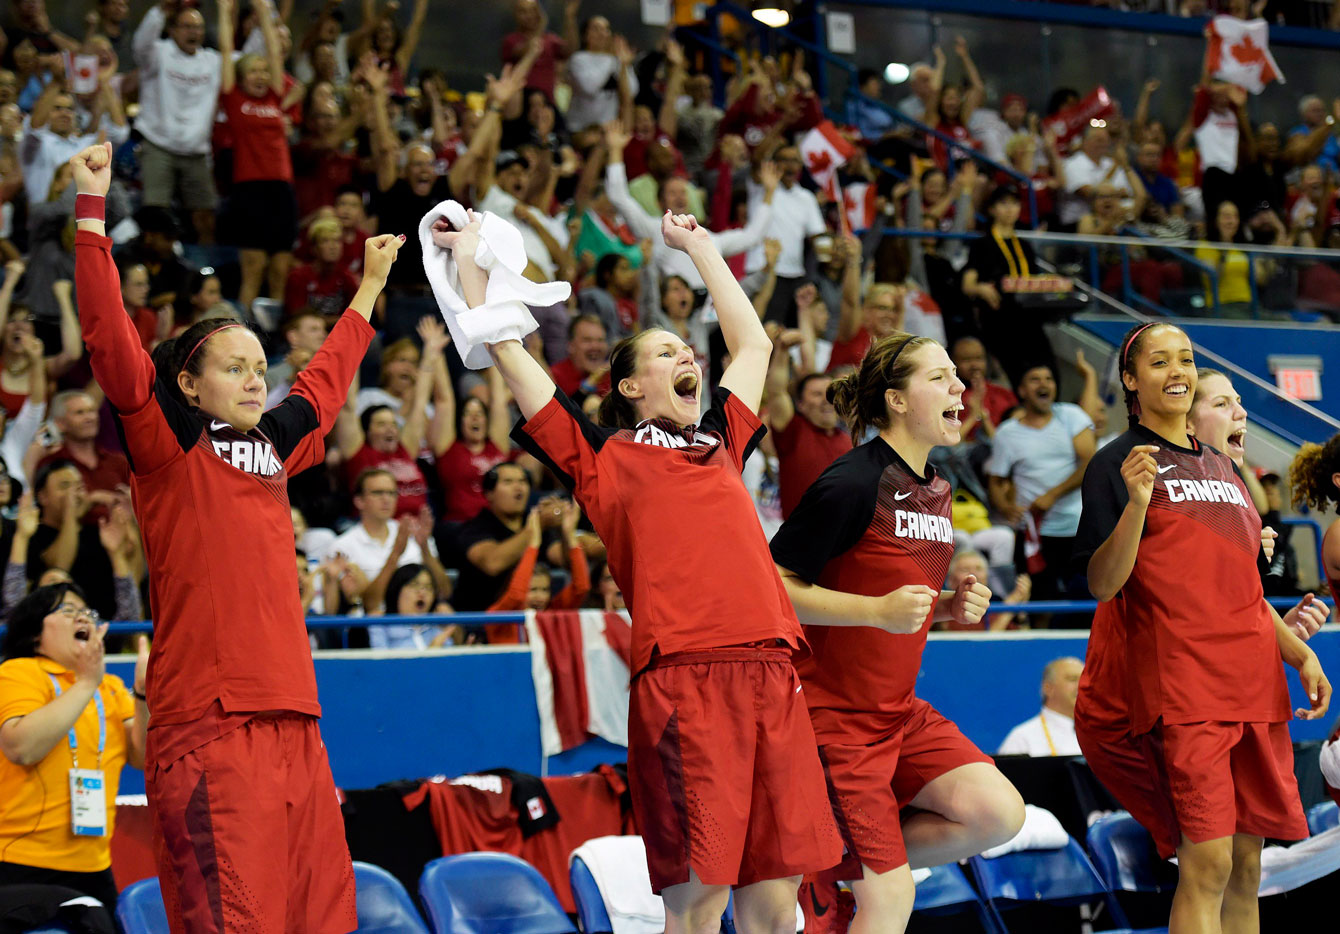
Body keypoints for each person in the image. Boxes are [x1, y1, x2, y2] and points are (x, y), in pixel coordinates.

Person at [450, 206, 842, 932]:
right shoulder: (600, 455)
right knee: (699, 904)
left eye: (685, 349)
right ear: (628, 387)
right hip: (686, 678)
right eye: (664, 354)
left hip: (773, 670)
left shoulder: (724, 438)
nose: (686, 357)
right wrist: (471, 260)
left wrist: (699, 246)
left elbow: (751, 341)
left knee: (775, 903)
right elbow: (505, 347)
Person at [70, 140, 406, 932]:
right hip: (210, 725)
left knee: (322, 921)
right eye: (235, 367)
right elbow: (111, 340)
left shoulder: (275, 445)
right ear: (189, 383)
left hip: (298, 719)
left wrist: (369, 290)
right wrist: (91, 214)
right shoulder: (167, 443)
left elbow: (321, 384)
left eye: (261, 366)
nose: (258, 379)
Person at [1072, 322, 1329, 934]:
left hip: (1256, 685)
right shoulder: (1118, 463)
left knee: (1247, 865)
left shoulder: (1226, 469)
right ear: (1131, 380)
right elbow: (1102, 584)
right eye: (1159, 362)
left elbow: (1244, 594)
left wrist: (1298, 656)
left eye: (1185, 358)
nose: (1177, 370)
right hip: (1186, 689)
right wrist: (1136, 504)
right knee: (1207, 862)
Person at [769, 331, 1025, 934]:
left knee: (997, 814)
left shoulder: (938, 487)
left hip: (899, 712)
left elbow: (886, 592)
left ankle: (832, 863)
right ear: (898, 400)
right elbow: (772, 589)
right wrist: (878, 613)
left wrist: (943, 608)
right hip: (833, 720)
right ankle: (851, 867)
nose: (959, 386)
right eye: (939, 377)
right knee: (890, 900)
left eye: (956, 377)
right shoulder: (851, 483)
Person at [0, 584, 147, 910]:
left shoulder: (110, 687)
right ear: (36, 633)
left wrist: (142, 695)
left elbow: (143, 757)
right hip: (21, 862)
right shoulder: (19, 673)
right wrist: (84, 683)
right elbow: (21, 747)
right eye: (67, 610)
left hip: (94, 866)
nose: (81, 616)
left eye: (86, 612)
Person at [985, 363, 1095, 608]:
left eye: (1049, 378)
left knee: (1085, 599)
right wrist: (1005, 507)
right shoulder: (1007, 433)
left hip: (1077, 527)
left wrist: (1052, 495)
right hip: (1034, 533)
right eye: (1035, 379)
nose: (1044, 384)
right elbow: (996, 479)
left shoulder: (1071, 415)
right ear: (1022, 391)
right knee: (1039, 599)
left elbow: (1090, 463)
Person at [133, 0, 222, 243]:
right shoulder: (158, 53)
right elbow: (140, 44)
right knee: (155, 213)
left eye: (198, 27)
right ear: (172, 30)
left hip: (196, 151)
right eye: (187, 26)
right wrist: (160, 10)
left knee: (205, 215)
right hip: (158, 146)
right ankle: (151, 268)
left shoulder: (212, 61)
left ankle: (207, 269)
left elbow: (247, 58)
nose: (194, 32)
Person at [998, 657, 1083, 757]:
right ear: (1048, 688)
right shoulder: (1022, 738)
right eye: (1073, 679)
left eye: (1085, 679)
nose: (1082, 685)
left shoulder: (1098, 733)